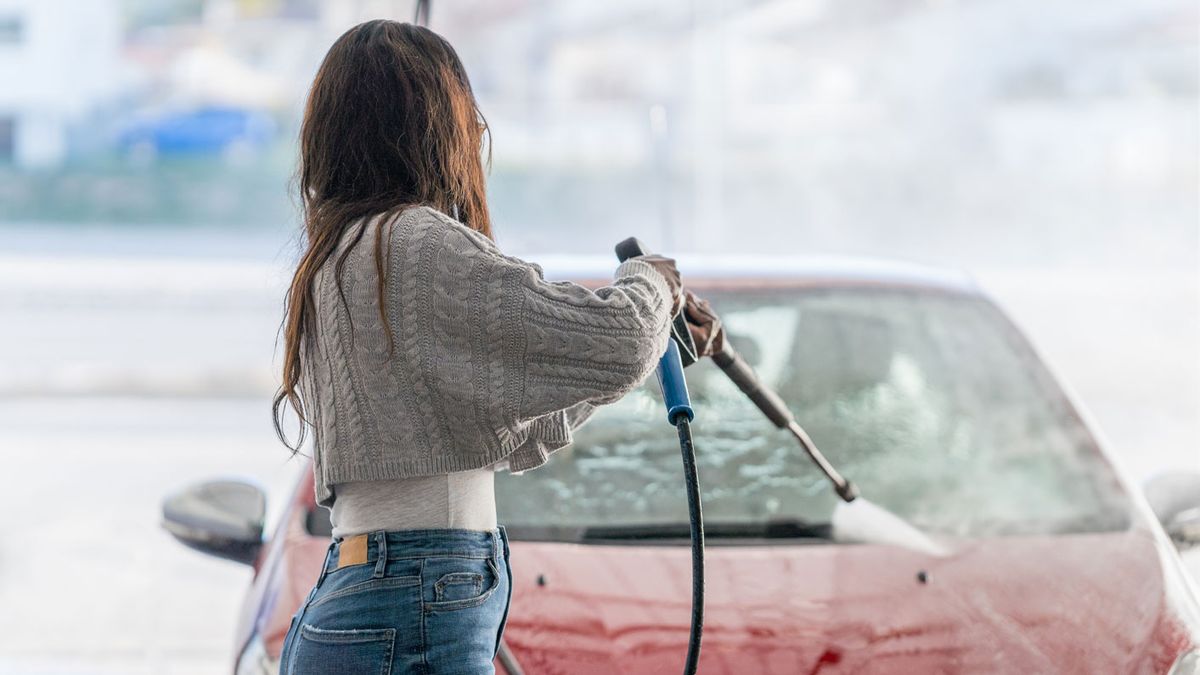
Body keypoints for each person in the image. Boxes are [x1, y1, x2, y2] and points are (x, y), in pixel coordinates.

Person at [273, 19, 721, 674]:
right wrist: (650, 282)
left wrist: (650, 341)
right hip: (418, 593)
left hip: (369, 594)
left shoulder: (336, 259)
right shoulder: (419, 244)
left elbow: (498, 425)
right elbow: (619, 336)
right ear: (432, 125)